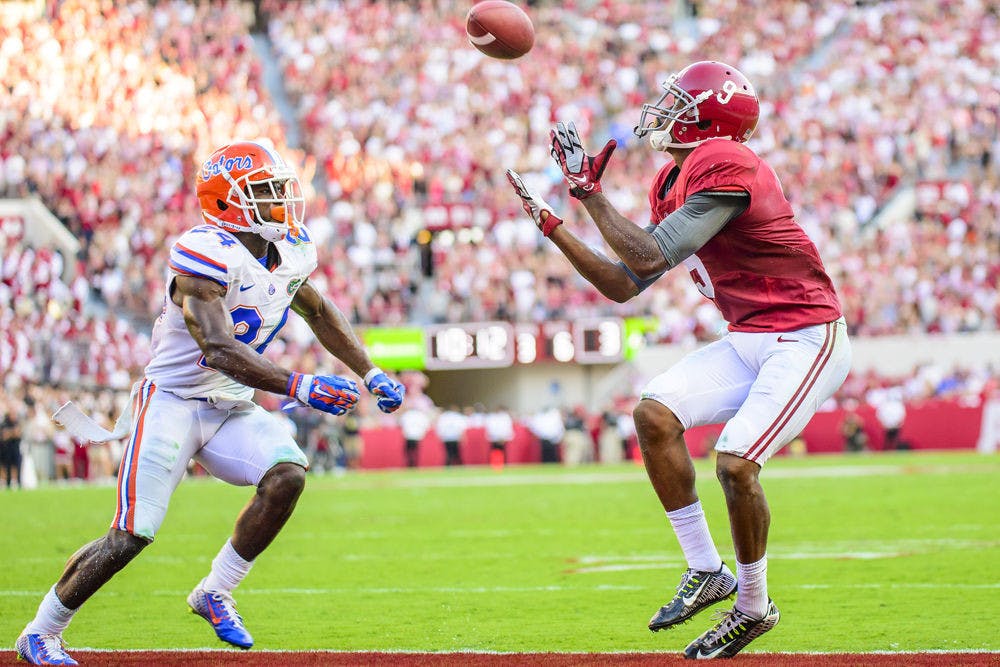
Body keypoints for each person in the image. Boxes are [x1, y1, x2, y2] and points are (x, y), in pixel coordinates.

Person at [507, 61, 852, 659]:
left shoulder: (729, 162)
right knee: (654, 415)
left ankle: (752, 606)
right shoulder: (674, 181)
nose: (664, 111)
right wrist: (555, 224)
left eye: (679, 102)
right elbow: (622, 284)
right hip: (747, 338)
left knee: (737, 463)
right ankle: (706, 570)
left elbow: (645, 255)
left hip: (804, 335)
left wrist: (589, 194)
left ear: (708, 118)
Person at [14, 141, 405, 666]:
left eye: (278, 192)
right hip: (172, 401)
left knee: (287, 474)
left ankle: (216, 589)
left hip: (228, 405)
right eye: (265, 195)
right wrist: (299, 386)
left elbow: (316, 307)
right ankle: (41, 631)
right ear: (226, 203)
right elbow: (218, 348)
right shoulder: (203, 254)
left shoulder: (288, 247)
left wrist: (371, 370)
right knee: (132, 534)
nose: (280, 204)